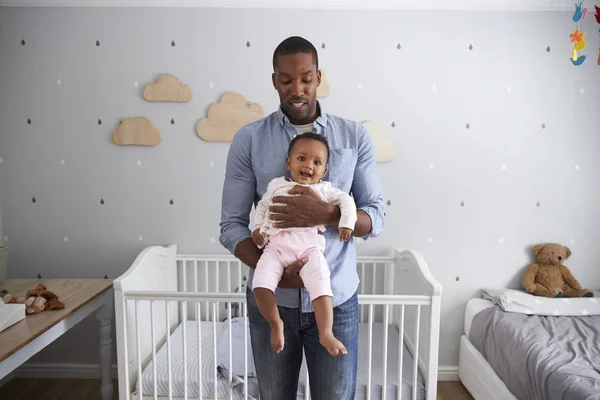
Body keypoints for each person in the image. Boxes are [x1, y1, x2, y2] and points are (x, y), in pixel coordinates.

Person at [219, 36, 385, 400]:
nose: (297, 89)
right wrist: (275, 269)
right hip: (272, 300)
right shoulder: (249, 140)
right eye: (286, 80)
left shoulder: (354, 136)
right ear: (274, 80)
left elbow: (376, 215)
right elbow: (230, 226)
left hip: (335, 298)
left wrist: (326, 213)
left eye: (306, 79)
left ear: (318, 77)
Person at [251, 132, 358, 357]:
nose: (308, 165)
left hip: (310, 251)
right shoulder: (276, 185)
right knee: (259, 285)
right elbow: (262, 206)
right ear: (288, 162)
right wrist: (257, 229)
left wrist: (345, 223)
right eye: (302, 158)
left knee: (322, 288)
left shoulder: (324, 190)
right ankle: (275, 323)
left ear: (324, 171)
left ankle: (326, 332)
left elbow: (346, 200)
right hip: (276, 248)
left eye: (317, 162)